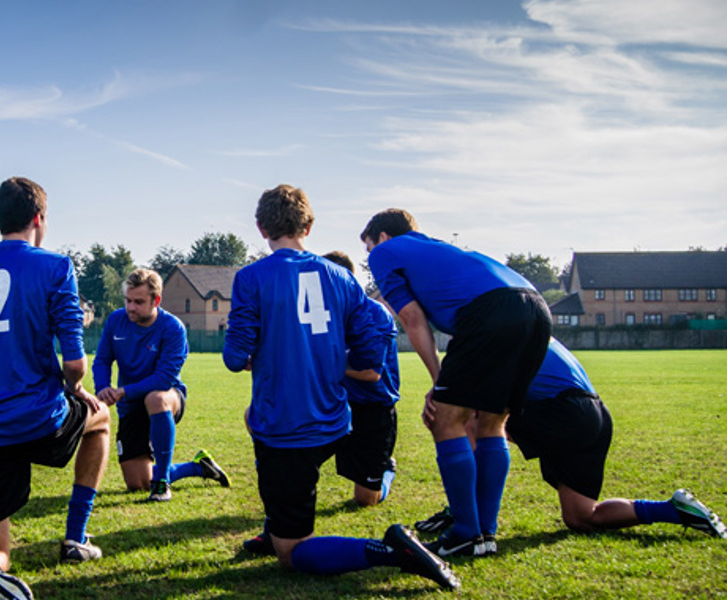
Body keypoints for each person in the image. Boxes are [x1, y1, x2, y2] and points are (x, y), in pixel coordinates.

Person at [224, 185, 458, 590]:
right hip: (336, 420)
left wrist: (252, 353)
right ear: (309, 226)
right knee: (262, 434)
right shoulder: (341, 278)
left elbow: (233, 356)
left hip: (286, 427)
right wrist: (342, 361)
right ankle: (276, 522)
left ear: (261, 228)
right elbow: (376, 334)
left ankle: (388, 550)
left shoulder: (251, 278)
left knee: (292, 553)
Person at [0, 177, 111, 600]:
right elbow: (74, 362)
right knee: (102, 420)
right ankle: (76, 536)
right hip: (38, 417)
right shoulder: (55, 266)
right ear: (39, 218)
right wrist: (73, 387)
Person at [362, 208, 551, 558]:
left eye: (369, 248)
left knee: (445, 419)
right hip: (536, 307)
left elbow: (412, 319)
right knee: (491, 423)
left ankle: (465, 531)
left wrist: (439, 380)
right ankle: (484, 534)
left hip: (491, 311)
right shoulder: (435, 249)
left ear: (382, 238)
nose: (371, 257)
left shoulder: (387, 252)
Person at [415, 338, 726, 540]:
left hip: (563, 411)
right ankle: (673, 510)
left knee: (471, 421)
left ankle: (467, 520)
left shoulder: (492, 332)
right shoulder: (523, 323)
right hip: (594, 415)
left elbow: (480, 407)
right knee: (581, 517)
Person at [93, 267, 230, 502]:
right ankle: (198, 467)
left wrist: (123, 391)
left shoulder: (173, 328)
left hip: (168, 398)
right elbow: (103, 360)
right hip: (130, 405)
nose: (130, 307)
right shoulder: (116, 320)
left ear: (156, 300)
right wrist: (103, 387)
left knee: (155, 397)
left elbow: (164, 378)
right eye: (128, 300)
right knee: (137, 483)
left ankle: (162, 483)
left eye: (138, 301)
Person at [322, 251, 399, 508]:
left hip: (373, 407)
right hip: (338, 403)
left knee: (365, 500)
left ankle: (386, 470)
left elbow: (371, 374)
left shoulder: (374, 315)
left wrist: (328, 367)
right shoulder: (324, 314)